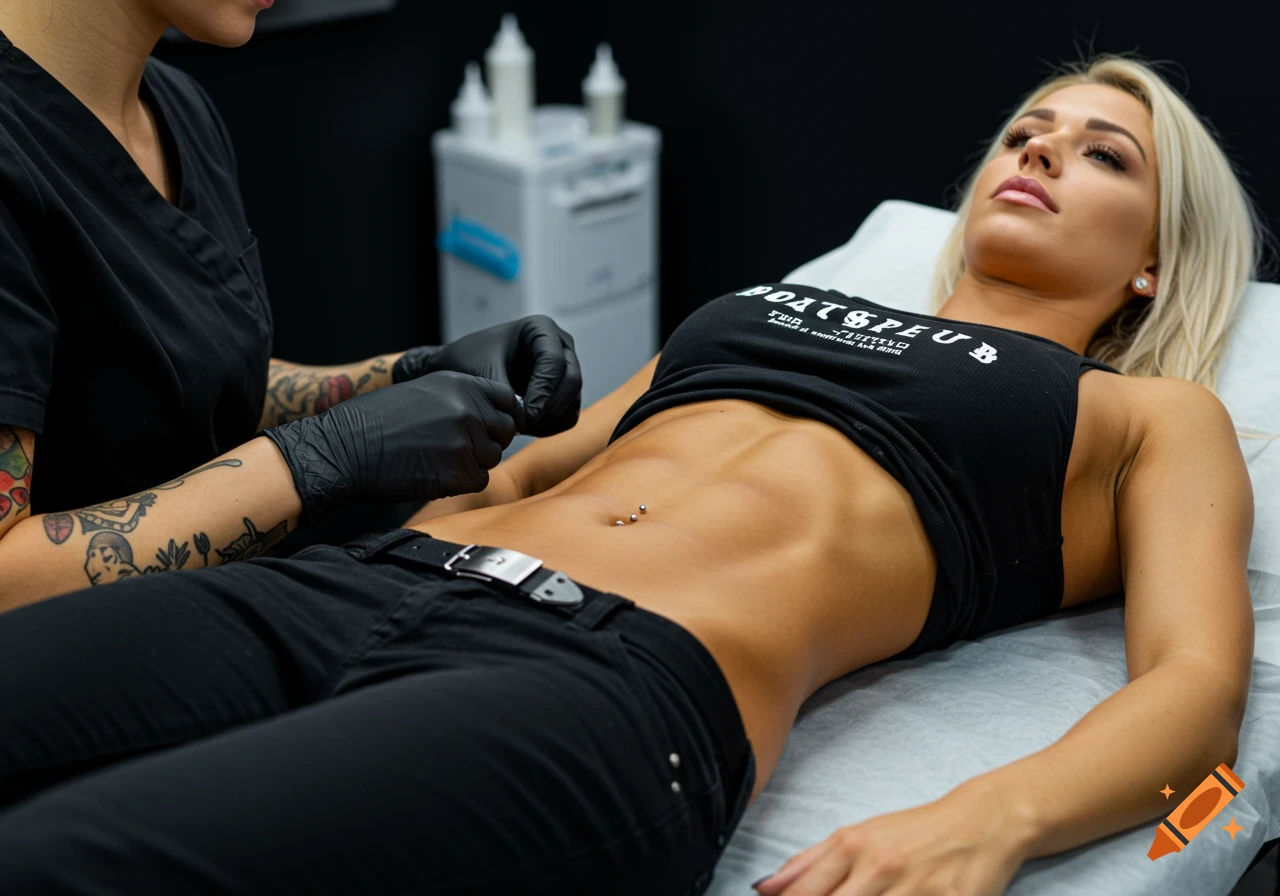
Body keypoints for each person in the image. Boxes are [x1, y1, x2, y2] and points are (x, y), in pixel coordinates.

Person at [0, 54, 1263, 896]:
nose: (1038, 153)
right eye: (1025, 131)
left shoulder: (1151, 414)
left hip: (603, 678)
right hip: (366, 582)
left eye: (1102, 156)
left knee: (58, 860)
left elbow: (1200, 691)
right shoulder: (767, 304)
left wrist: (989, 818)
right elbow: (528, 467)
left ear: (1151, 261)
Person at [0, 1, 583, 609]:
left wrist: (411, 373)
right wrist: (321, 457)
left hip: (217, 624)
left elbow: (200, 391)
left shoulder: (176, 107)